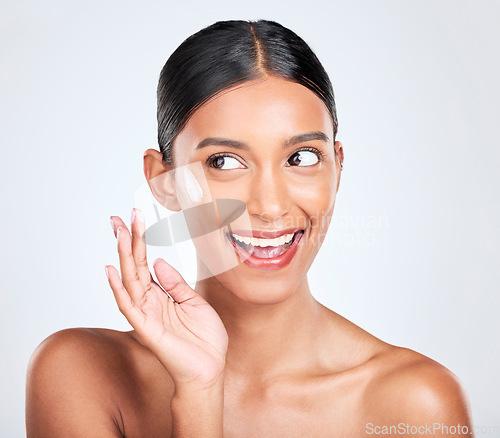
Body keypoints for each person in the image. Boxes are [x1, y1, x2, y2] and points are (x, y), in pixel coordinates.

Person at [26, 19, 473, 437]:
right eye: (224, 162)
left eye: (301, 158)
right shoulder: (80, 374)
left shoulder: (418, 406)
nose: (270, 206)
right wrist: (199, 392)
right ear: (163, 181)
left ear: (338, 166)